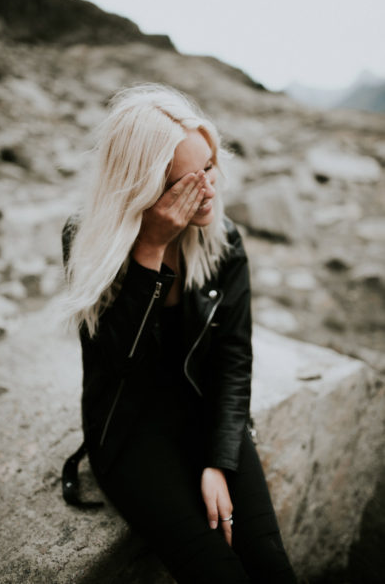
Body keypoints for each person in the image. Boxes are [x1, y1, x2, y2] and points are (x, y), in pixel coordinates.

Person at [61, 83, 297, 583]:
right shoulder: (87, 240)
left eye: (209, 167)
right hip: (130, 430)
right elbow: (117, 362)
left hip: (203, 409)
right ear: (142, 188)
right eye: (185, 183)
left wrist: (219, 460)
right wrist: (149, 248)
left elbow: (233, 358)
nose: (208, 190)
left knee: (271, 568)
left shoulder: (224, 240)